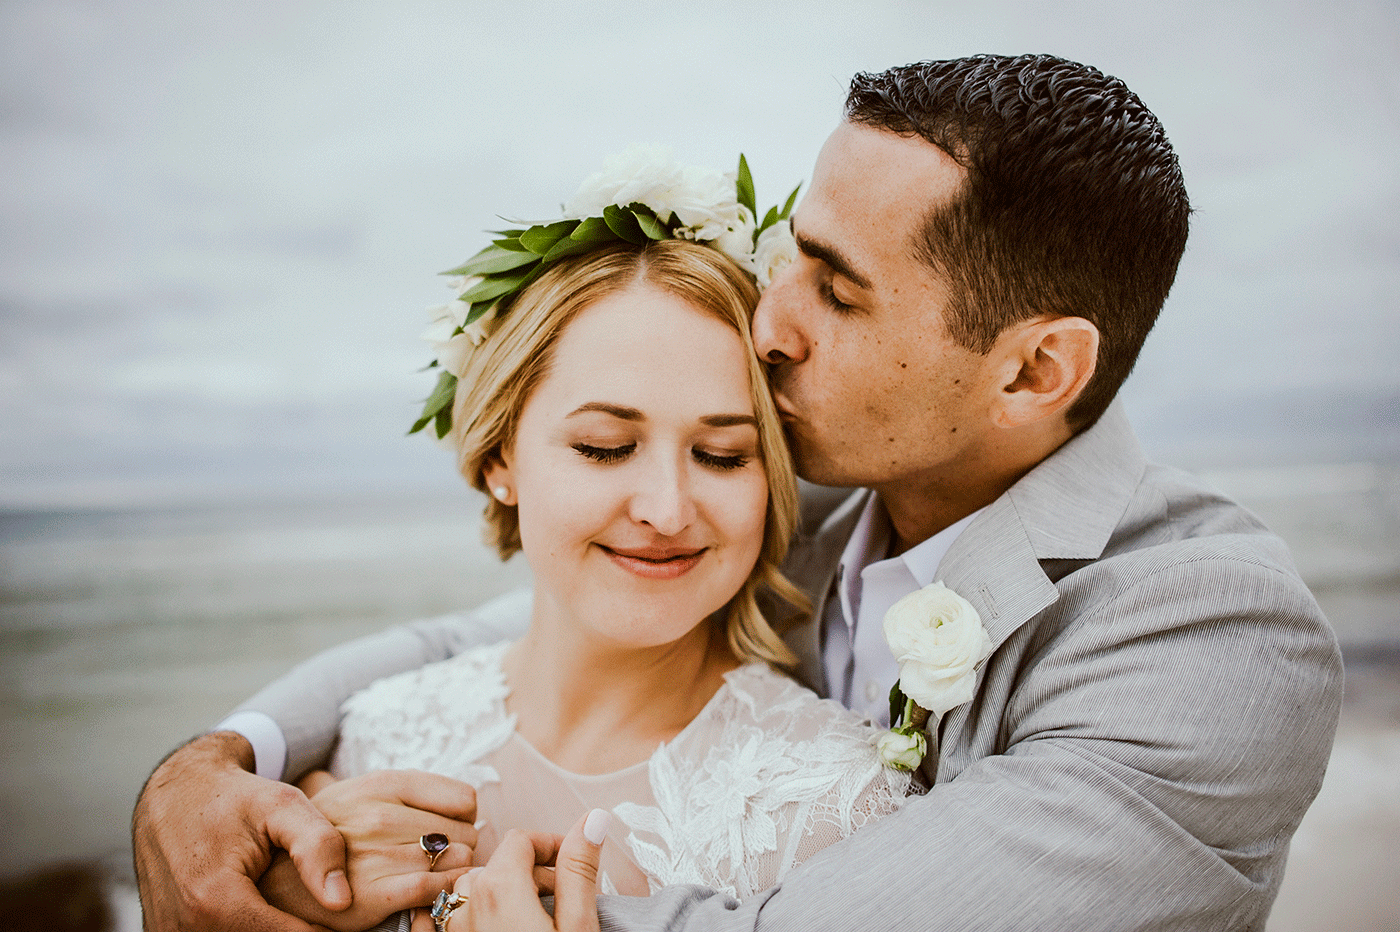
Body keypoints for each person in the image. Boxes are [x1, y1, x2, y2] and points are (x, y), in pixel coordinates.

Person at [133, 54, 1344, 932]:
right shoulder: (804, 509)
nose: (766, 323)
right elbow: (498, 639)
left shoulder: (1213, 634)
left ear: (1033, 367)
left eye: (835, 288)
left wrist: (436, 892)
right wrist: (211, 762)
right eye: (789, 257)